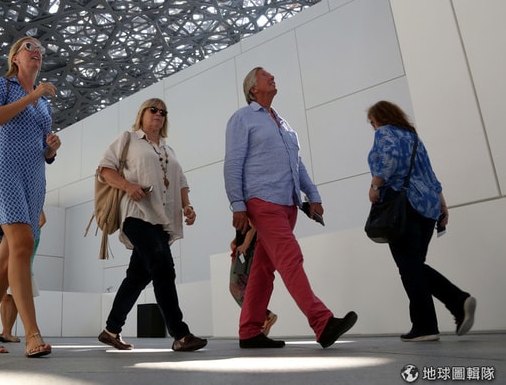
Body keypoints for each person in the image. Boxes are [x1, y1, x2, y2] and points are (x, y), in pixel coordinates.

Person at [223, 67, 357, 349]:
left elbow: (297, 164)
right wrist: (237, 204)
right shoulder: (242, 118)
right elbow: (233, 163)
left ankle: (249, 331)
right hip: (262, 201)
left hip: (288, 204)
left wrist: (313, 195)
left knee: (263, 270)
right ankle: (322, 322)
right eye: (265, 76)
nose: (272, 77)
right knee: (290, 258)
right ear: (253, 88)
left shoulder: (282, 123)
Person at [0, 36, 61, 358]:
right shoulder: (4, 85)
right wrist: (32, 95)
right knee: (22, 243)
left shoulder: (45, 104)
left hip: (34, 176)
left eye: (40, 50)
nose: (37, 52)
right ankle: (32, 333)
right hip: (6, 168)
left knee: (6, 261)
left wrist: (51, 149)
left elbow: (42, 147)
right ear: (15, 58)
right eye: (29, 47)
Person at [96, 99, 208, 353]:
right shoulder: (129, 139)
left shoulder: (168, 150)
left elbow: (181, 182)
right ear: (142, 113)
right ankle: (181, 334)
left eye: (163, 112)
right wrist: (128, 186)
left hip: (162, 219)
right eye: (153, 110)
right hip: (136, 214)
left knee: (137, 277)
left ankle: (111, 330)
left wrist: (187, 206)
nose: (158, 114)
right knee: (163, 268)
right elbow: (104, 169)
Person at [367, 100, 476, 341]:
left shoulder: (385, 132)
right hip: (428, 206)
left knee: (409, 267)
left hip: (403, 205)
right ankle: (440, 315)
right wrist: (442, 203)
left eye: (372, 122)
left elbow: (390, 158)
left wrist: (375, 185)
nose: (373, 127)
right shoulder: (413, 137)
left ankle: (442, 314)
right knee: (414, 266)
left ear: (381, 118)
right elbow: (429, 173)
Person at [0, 210, 46, 344]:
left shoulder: (30, 231)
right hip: (5, 264)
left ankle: (8, 332)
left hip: (20, 263)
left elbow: (42, 220)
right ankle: (6, 332)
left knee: (14, 296)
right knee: (7, 297)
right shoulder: (8, 227)